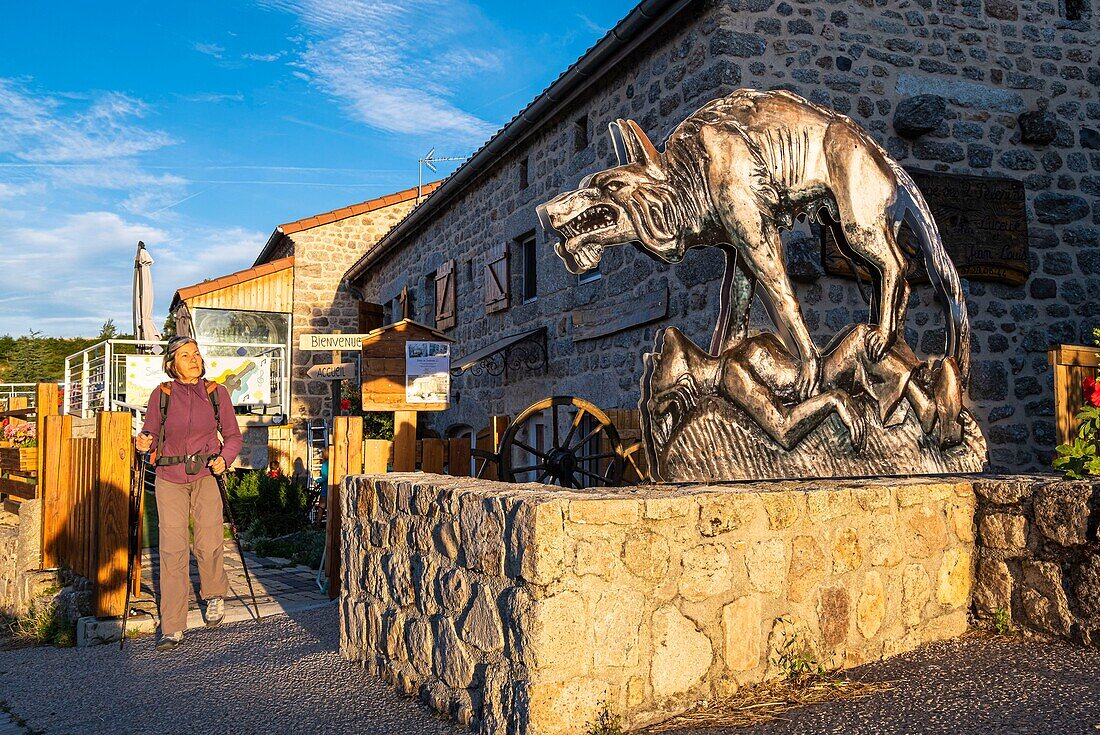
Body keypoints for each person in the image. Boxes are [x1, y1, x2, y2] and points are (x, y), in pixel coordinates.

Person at [135, 337, 242, 652]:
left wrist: (226, 457)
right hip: (169, 477)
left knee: (208, 541)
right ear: (172, 364)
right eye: (186, 355)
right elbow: (150, 432)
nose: (194, 359)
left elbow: (233, 436)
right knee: (172, 548)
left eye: (196, 353)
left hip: (207, 474)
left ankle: (213, 594)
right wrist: (144, 443)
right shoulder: (162, 394)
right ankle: (172, 625)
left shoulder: (216, 393)